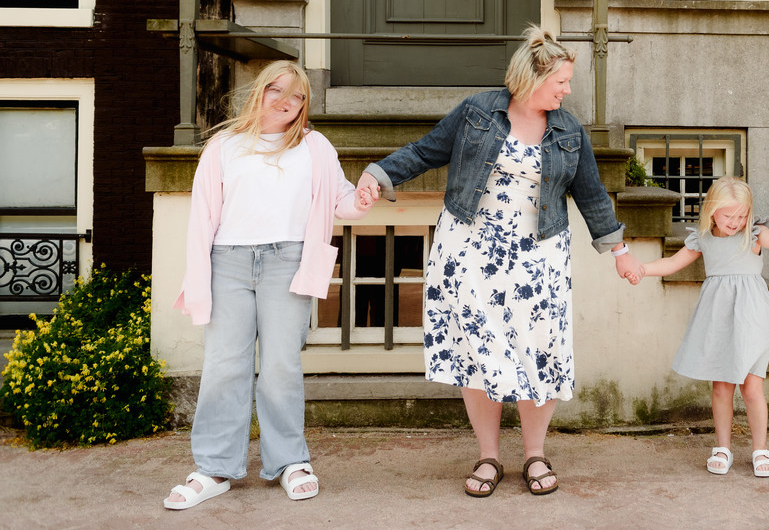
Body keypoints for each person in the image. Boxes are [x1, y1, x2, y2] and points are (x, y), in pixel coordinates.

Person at [356, 25, 642, 497]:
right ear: (531, 77)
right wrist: (377, 174)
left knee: (539, 351)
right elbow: (427, 151)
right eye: (561, 82)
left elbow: (591, 195)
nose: (567, 90)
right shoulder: (477, 112)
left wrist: (620, 251)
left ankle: (534, 454)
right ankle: (488, 456)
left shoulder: (568, 129)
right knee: (477, 351)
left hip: (539, 255)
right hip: (470, 249)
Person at [164, 61, 371, 509]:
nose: (284, 100)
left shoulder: (315, 147)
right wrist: (199, 275)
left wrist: (364, 196)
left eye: (296, 95)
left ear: (304, 104)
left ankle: (290, 461)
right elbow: (202, 219)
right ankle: (215, 467)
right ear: (260, 90)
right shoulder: (223, 146)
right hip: (229, 263)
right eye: (276, 89)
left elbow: (341, 201)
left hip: (288, 262)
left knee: (280, 366)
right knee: (224, 366)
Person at [632, 176, 769, 477]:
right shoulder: (703, 239)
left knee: (752, 386)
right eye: (728, 215)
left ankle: (760, 449)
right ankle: (723, 447)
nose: (735, 222)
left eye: (742, 215)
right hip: (718, 317)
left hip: (752, 317)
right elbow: (671, 263)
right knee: (722, 386)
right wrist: (642, 269)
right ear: (712, 211)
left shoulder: (755, 235)